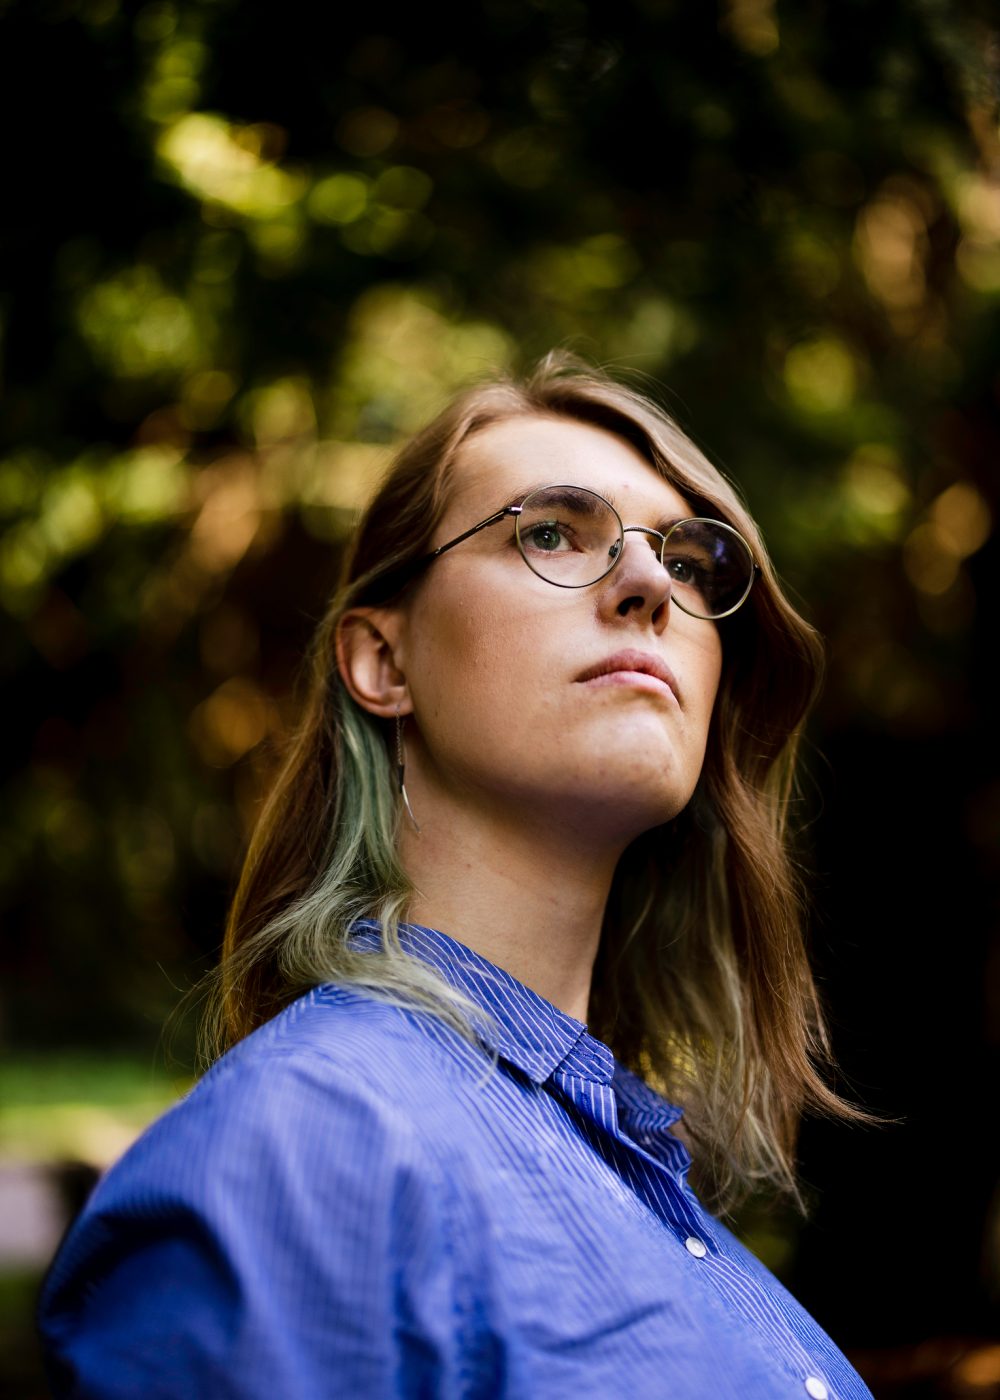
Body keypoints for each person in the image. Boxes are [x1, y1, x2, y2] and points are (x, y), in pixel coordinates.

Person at [39, 352, 878, 1398]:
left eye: (693, 561)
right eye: (549, 532)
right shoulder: (303, 1152)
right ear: (383, 662)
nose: (653, 585)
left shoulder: (647, 1192)